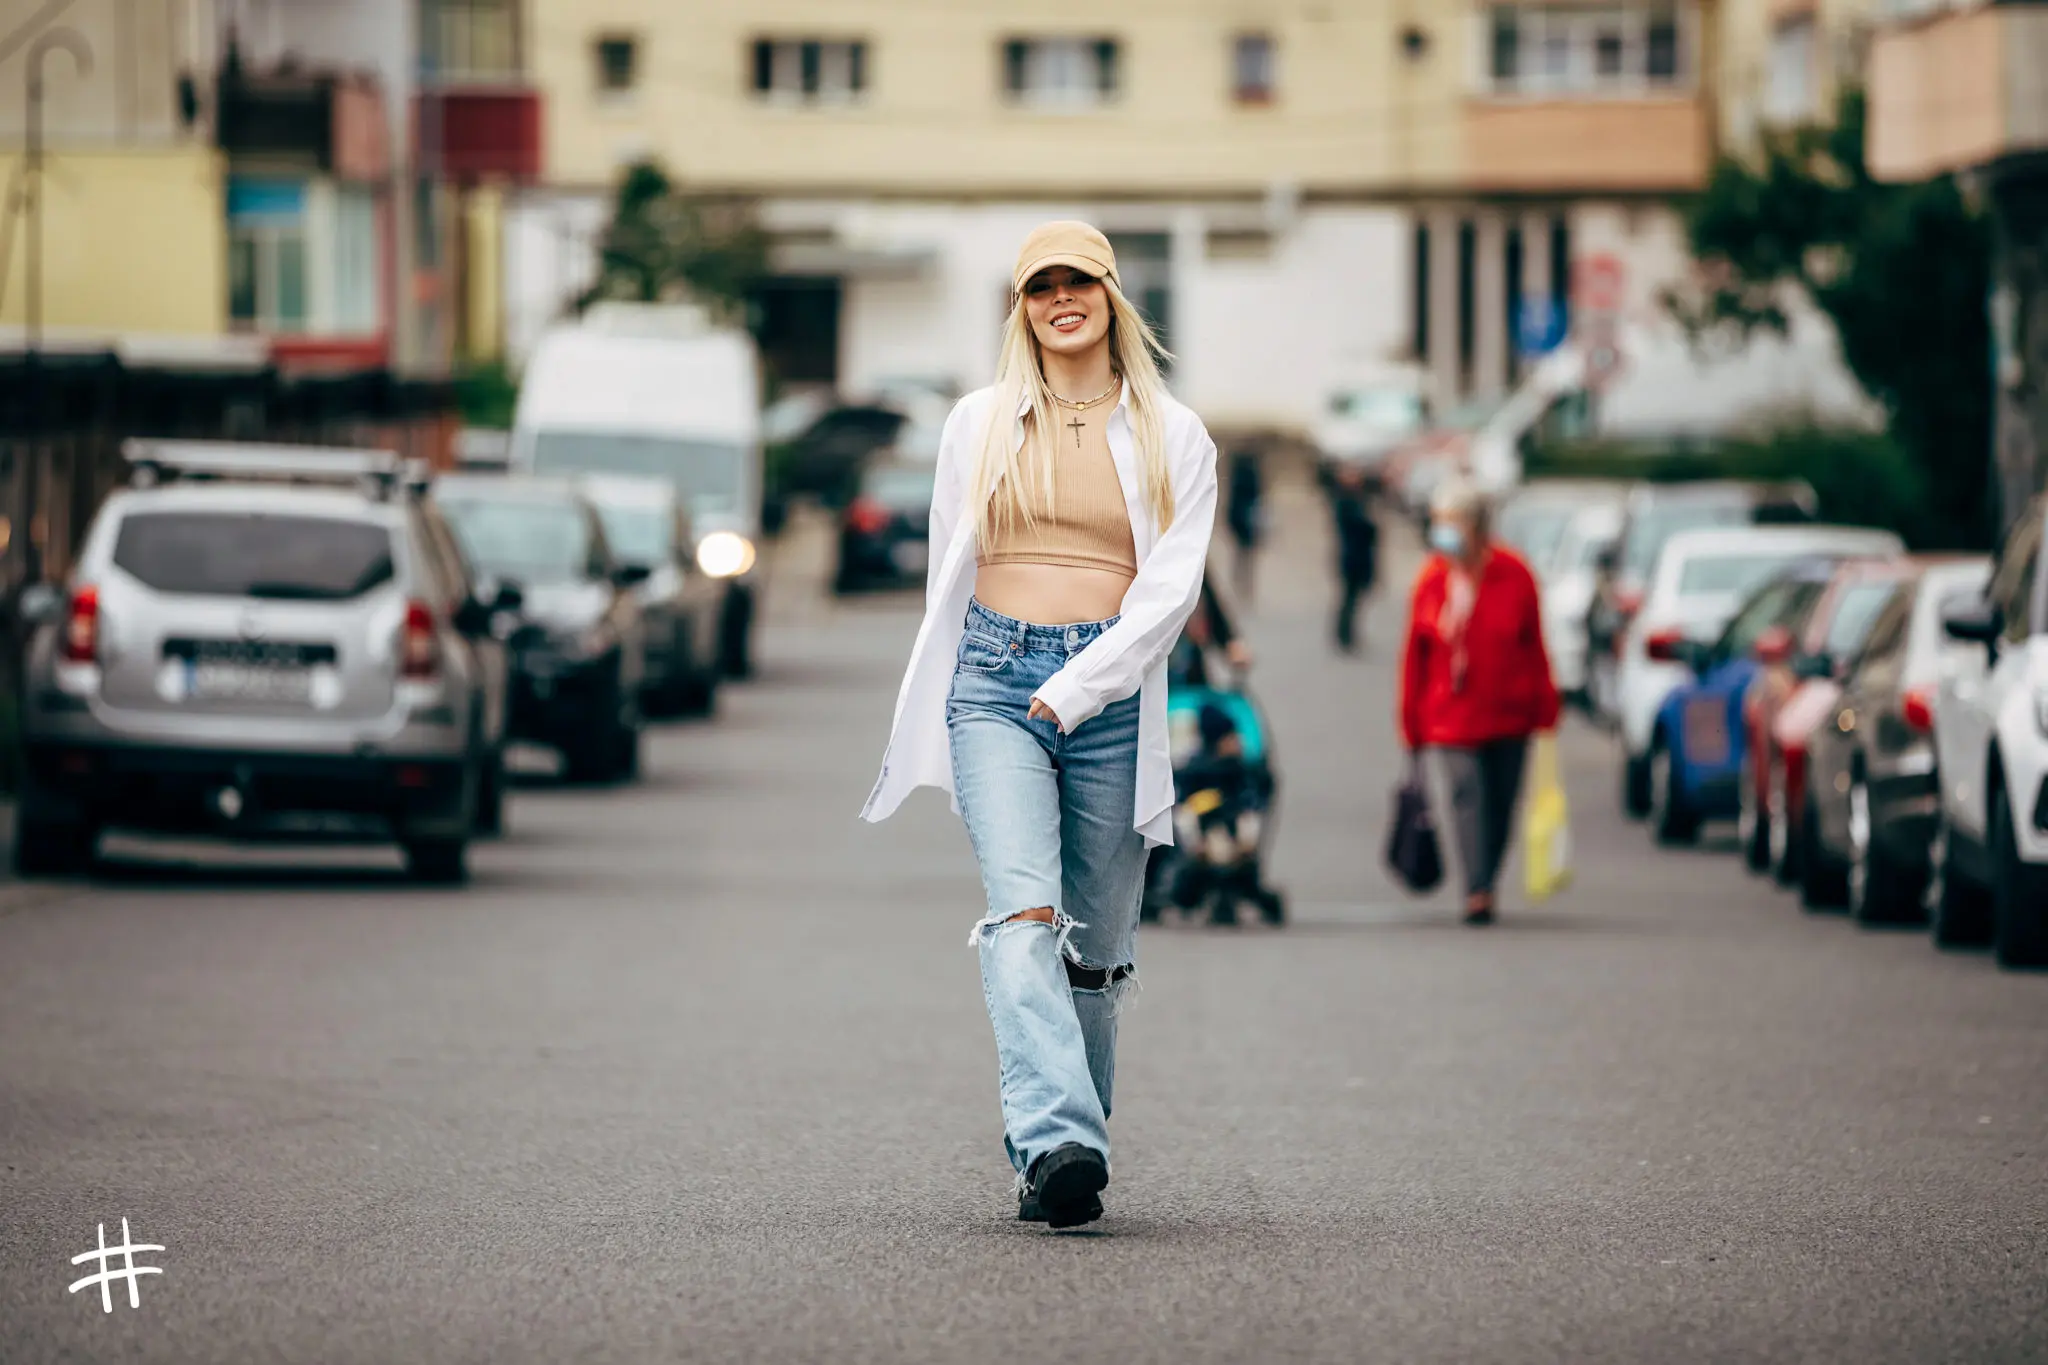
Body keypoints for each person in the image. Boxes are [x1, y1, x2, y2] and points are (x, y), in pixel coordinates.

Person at [861, 221, 1219, 1229]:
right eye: (1040, 286)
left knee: (1094, 954)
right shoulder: (976, 422)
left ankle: (1060, 1151)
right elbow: (949, 565)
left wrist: (1082, 683)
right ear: (1020, 308)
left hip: (1110, 695)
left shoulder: (1174, 434)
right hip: (994, 685)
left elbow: (1169, 593)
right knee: (1024, 916)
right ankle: (1059, 1136)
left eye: (1080, 281)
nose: (1062, 297)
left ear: (1111, 295)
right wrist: (999, 680)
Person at [1397, 478, 1560, 926]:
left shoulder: (1515, 573)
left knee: (1501, 804)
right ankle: (1477, 889)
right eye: (1440, 522)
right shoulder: (1432, 579)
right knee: (1466, 793)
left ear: (1477, 526)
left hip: (1509, 714)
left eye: (1453, 522)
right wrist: (1409, 721)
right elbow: (1414, 656)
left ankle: (1487, 876)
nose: (1444, 532)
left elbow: (1534, 644)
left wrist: (1546, 704)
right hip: (1450, 718)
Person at [1331, 464, 1379, 652]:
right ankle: (1344, 634)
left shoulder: (1356, 497)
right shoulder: (1345, 500)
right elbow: (1362, 527)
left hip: (1357, 556)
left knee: (1352, 599)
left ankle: (1347, 633)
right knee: (1349, 598)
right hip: (1352, 557)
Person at [1225, 448, 1263, 600]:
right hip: (1246, 519)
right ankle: (1244, 584)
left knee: (1243, 554)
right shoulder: (1250, 477)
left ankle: (1242, 583)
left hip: (1241, 519)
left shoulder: (1239, 478)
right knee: (1245, 555)